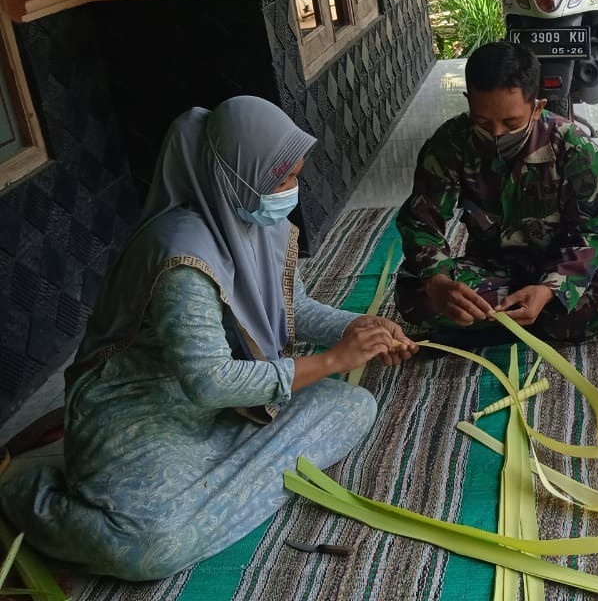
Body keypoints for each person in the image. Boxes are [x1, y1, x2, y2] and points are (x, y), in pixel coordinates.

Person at [0, 96, 414, 580]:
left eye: (295, 176)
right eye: (281, 179)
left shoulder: (258, 222)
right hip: (143, 413)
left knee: (353, 408)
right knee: (147, 550)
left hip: (223, 410)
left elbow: (293, 307)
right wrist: (332, 361)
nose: (292, 191)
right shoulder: (182, 255)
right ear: (238, 174)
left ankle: (211, 483)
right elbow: (209, 381)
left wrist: (356, 328)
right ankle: (22, 491)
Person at [396, 41, 598, 344]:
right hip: (494, 270)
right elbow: (421, 222)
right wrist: (438, 280)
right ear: (469, 102)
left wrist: (550, 289)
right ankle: (542, 323)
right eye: (482, 121)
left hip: (563, 267)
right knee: (414, 293)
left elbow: (597, 233)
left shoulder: (573, 147)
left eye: (511, 122)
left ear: (537, 107)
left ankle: (499, 323)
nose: (496, 134)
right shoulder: (450, 144)